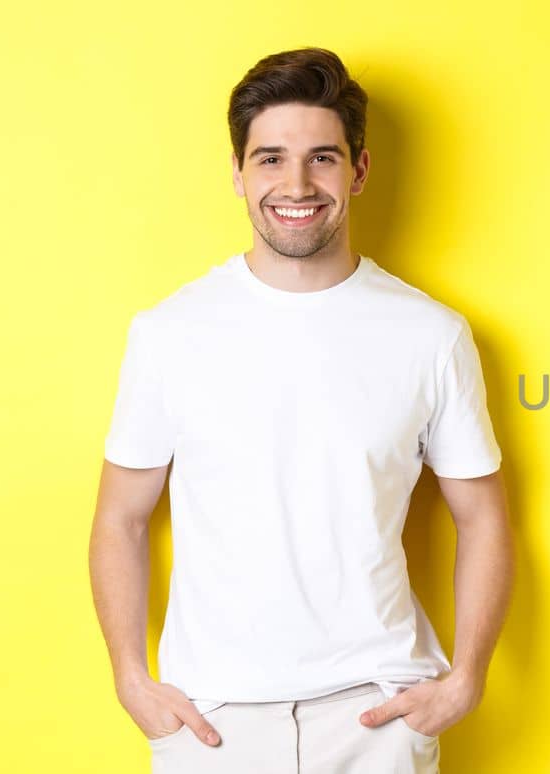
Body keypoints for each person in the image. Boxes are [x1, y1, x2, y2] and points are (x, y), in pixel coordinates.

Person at [88, 47, 513, 774]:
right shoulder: (169, 333)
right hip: (210, 719)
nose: (296, 184)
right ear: (237, 173)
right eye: (270, 159)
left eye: (322, 158)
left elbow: (483, 516)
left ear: (359, 170)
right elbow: (120, 517)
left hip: (376, 713)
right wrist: (132, 680)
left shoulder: (431, 335)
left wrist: (465, 680)